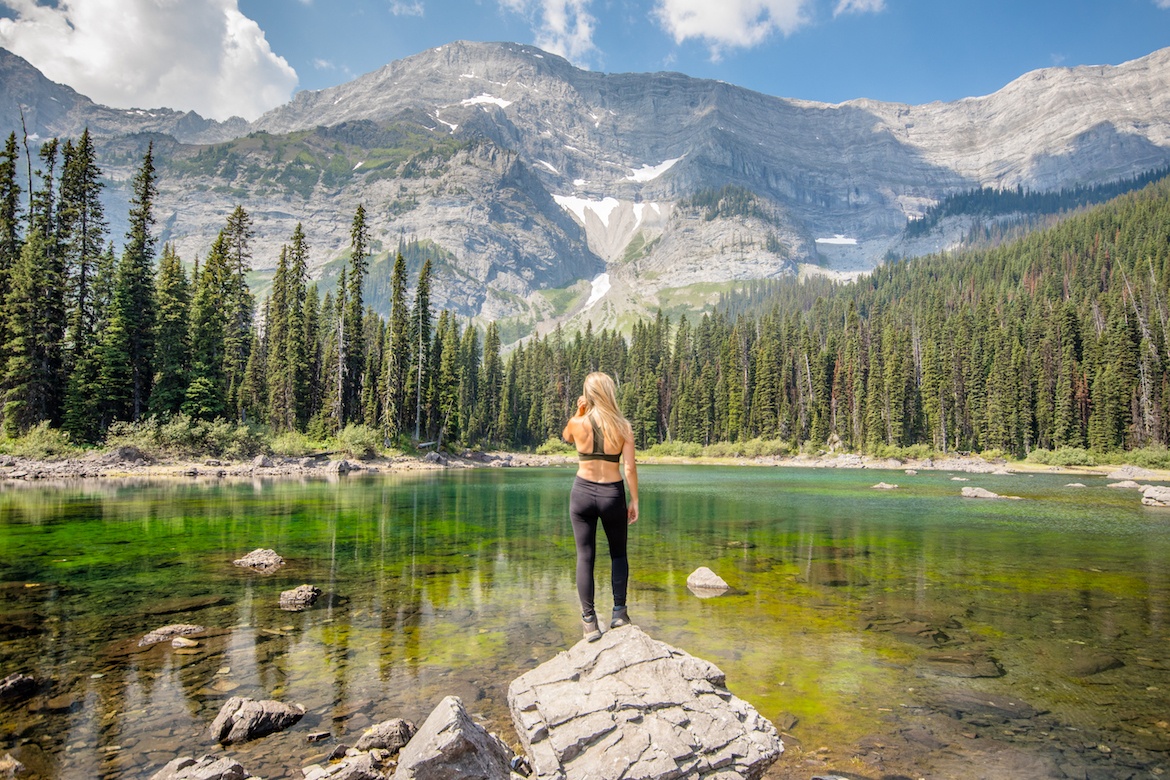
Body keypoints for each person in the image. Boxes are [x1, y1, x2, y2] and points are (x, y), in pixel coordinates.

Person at [561, 371, 639, 642]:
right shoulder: (623, 426)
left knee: (585, 556)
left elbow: (567, 437)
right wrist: (635, 499)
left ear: (589, 393)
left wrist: (580, 411)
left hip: (581, 493)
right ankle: (619, 613)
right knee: (618, 554)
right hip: (611, 495)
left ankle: (589, 623)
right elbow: (629, 467)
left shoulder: (577, 422)